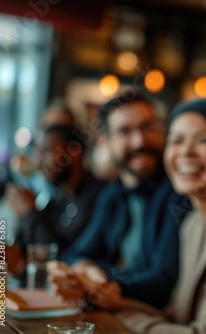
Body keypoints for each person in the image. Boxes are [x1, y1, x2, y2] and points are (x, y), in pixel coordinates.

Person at [90, 93, 206, 333]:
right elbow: (175, 315)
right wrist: (118, 303)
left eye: (203, 140)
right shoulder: (193, 223)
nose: (185, 152)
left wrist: (122, 314)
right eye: (176, 140)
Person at [49, 90, 189, 309]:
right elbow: (75, 253)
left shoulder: (178, 192)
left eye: (148, 126)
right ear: (106, 141)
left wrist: (101, 283)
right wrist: (84, 268)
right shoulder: (113, 194)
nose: (139, 141)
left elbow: (163, 282)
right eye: (125, 131)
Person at [6, 125, 105, 256]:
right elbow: (28, 246)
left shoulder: (101, 197)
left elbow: (62, 256)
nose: (39, 162)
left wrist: (29, 212)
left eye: (46, 152)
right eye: (38, 153)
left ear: (74, 151)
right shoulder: (60, 196)